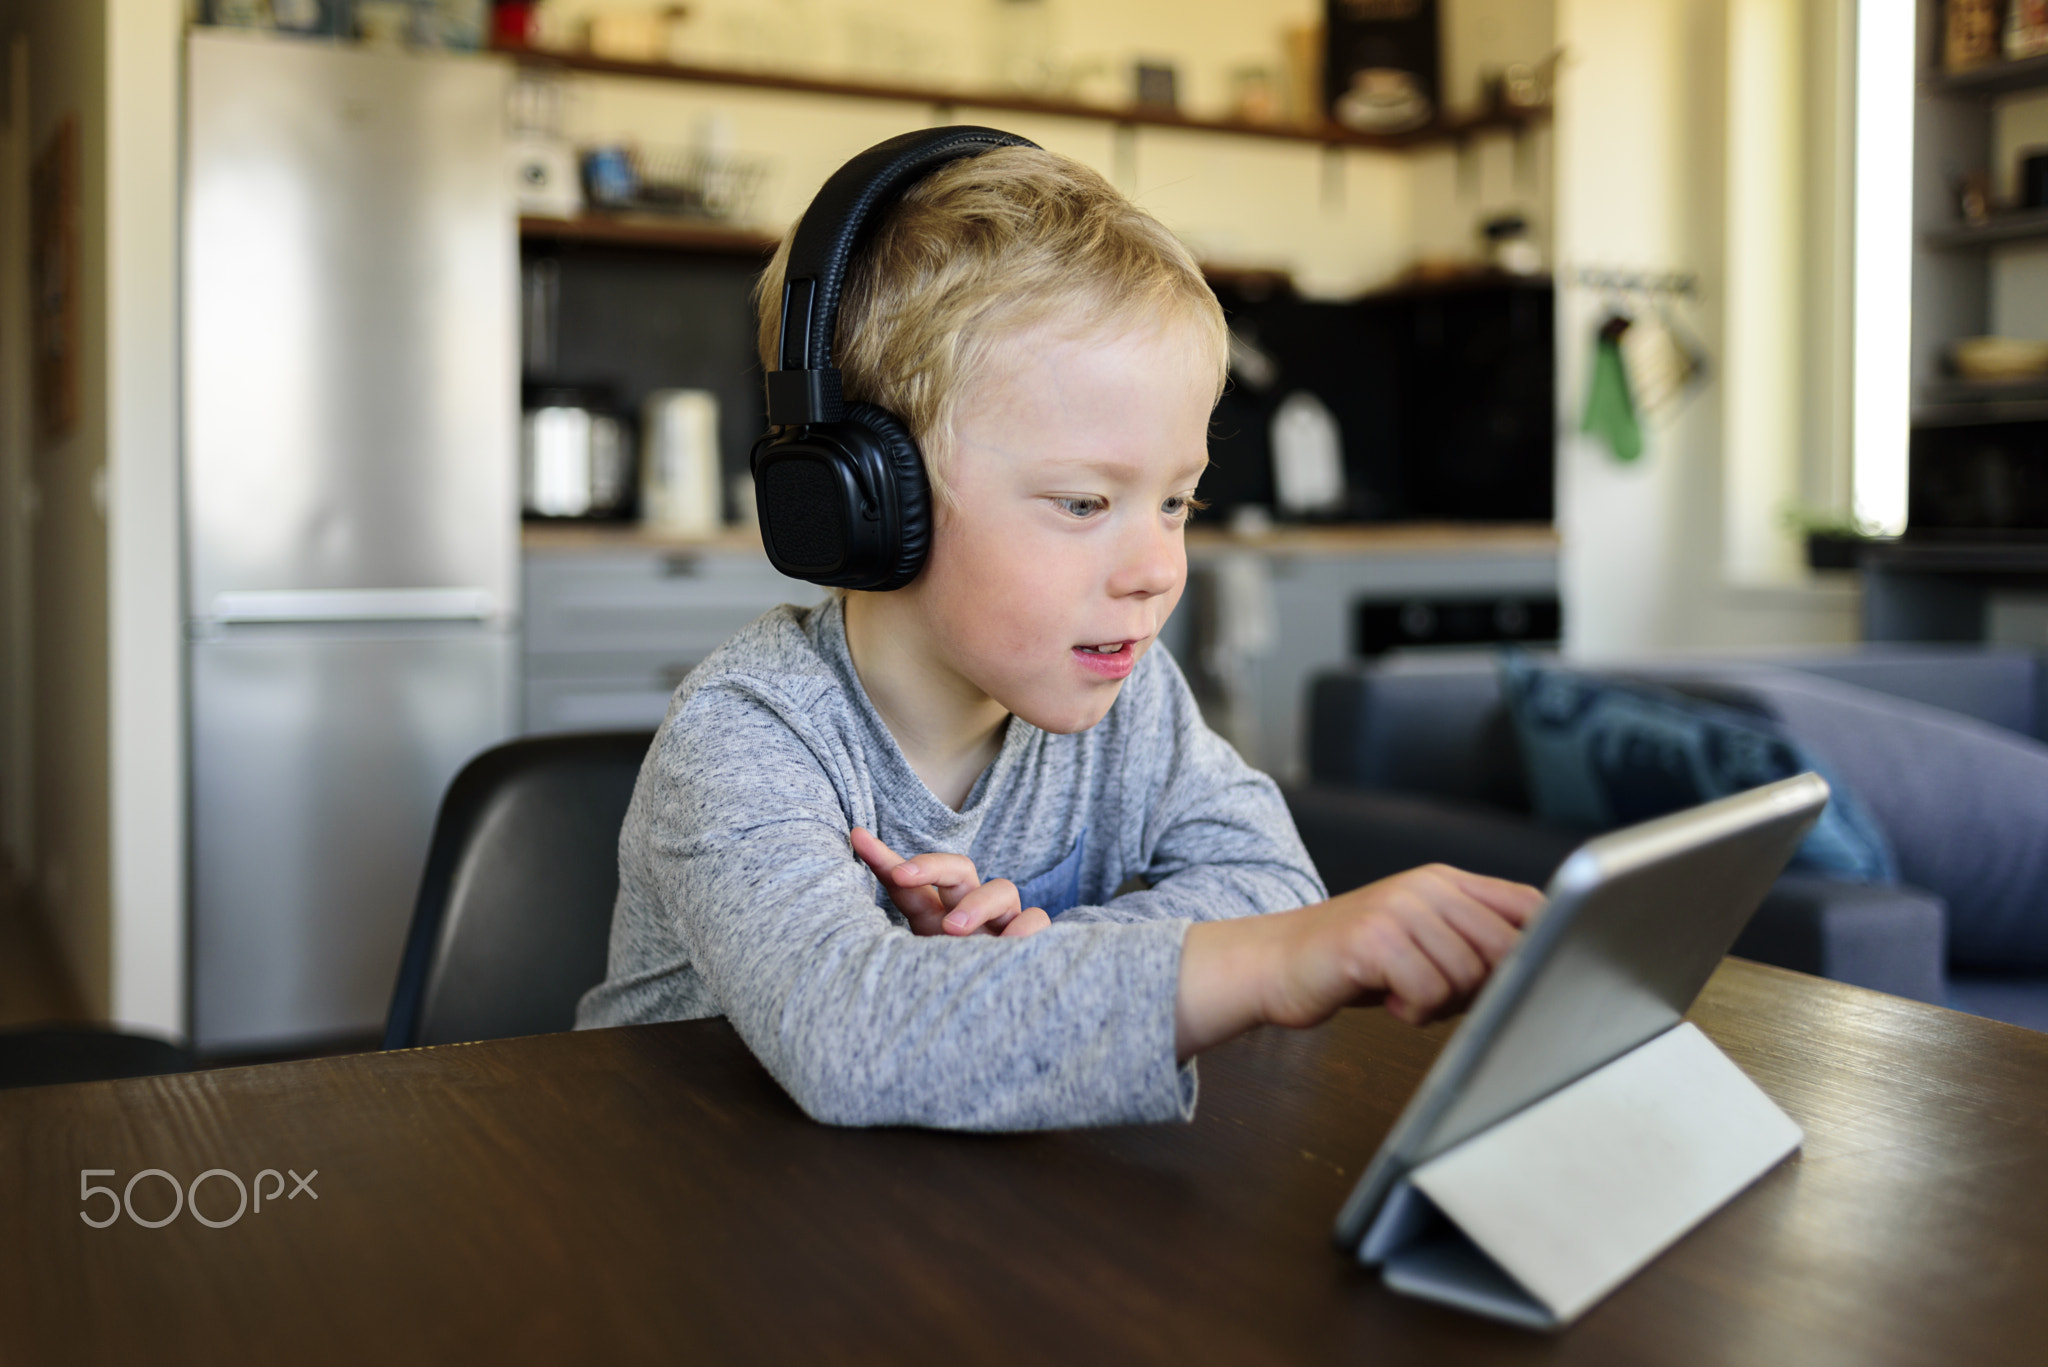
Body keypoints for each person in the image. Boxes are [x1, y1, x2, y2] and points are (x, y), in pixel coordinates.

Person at [574, 140, 1542, 1129]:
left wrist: (1034, 966)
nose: (1158, 568)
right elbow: (849, 1033)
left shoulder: (1129, 691)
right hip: (678, 1211)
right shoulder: (746, 734)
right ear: (865, 499)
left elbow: (1268, 882)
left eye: (1176, 501)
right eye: (1084, 502)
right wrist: (1256, 960)